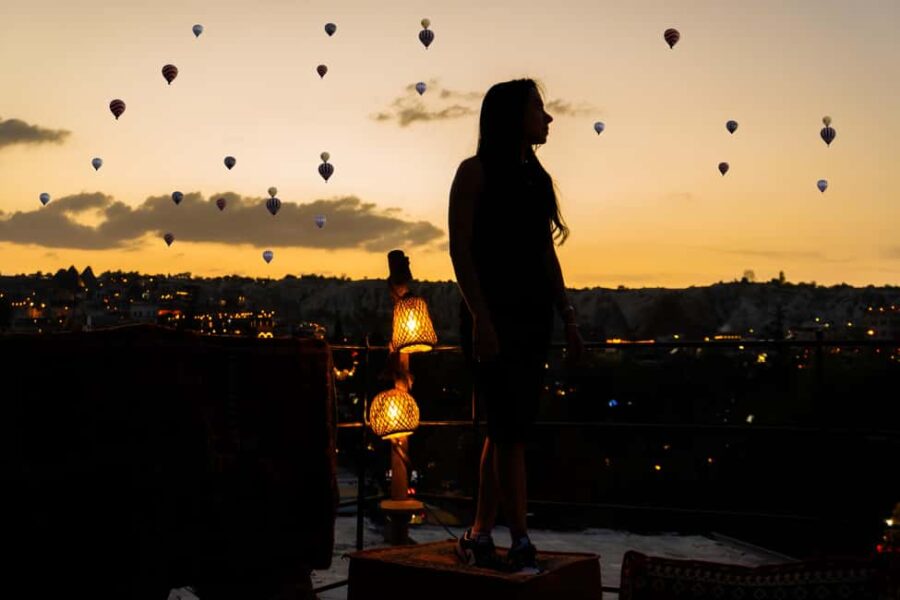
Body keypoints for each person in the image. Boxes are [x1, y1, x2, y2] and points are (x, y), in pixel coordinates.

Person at [448, 78, 585, 574]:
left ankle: (480, 534)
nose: (548, 119)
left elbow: (545, 253)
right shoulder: (475, 174)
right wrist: (482, 317)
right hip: (493, 318)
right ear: (512, 116)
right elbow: (460, 251)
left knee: (505, 429)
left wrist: (566, 316)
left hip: (530, 319)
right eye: (539, 109)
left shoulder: (535, 180)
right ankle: (520, 539)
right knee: (511, 431)